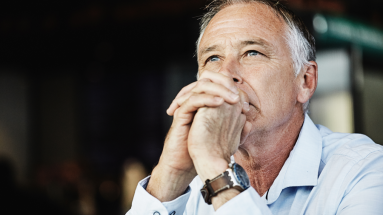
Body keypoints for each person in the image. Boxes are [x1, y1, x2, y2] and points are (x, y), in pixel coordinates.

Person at [127, 0, 383, 214]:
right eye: (213, 58)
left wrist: (218, 172)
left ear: (305, 81)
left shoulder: (366, 171)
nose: (226, 75)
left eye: (252, 53)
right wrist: (169, 176)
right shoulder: (192, 182)